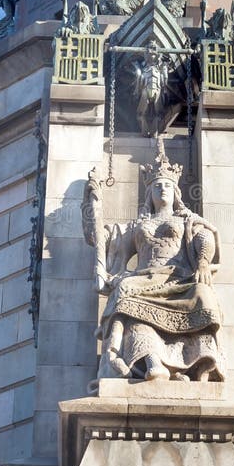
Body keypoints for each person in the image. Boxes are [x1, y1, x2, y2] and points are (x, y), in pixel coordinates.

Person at [82, 143, 224, 382]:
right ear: (150, 193)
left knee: (203, 293)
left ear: (176, 191)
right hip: (145, 277)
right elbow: (102, 238)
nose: (162, 189)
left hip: (179, 276)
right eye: (157, 185)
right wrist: (91, 208)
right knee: (125, 290)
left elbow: (204, 236)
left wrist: (201, 261)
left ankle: (194, 366)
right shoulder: (138, 225)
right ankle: (136, 359)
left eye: (167, 185)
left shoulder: (186, 219)